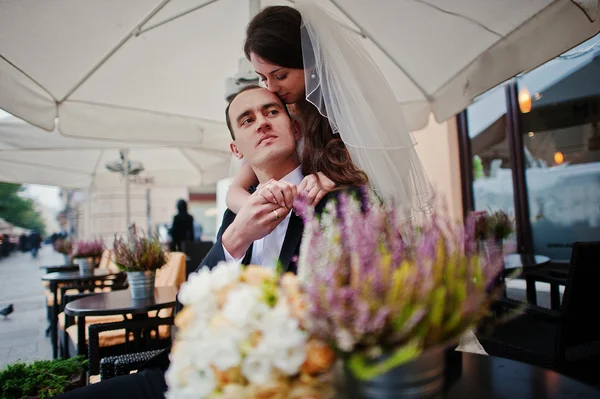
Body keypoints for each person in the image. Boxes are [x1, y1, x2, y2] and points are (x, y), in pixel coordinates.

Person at [54, 85, 366, 399]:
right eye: (247, 120)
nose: (261, 122)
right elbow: (185, 313)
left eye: (271, 111)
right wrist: (235, 239)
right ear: (236, 150)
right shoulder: (235, 216)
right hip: (188, 376)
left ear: (294, 127)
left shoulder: (340, 202)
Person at [227, 3, 434, 224]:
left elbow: (378, 182)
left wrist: (332, 179)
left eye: (280, 75)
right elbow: (235, 191)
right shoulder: (280, 116)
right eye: (263, 78)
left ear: (309, 61)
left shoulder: (353, 110)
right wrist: (257, 208)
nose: (271, 88)